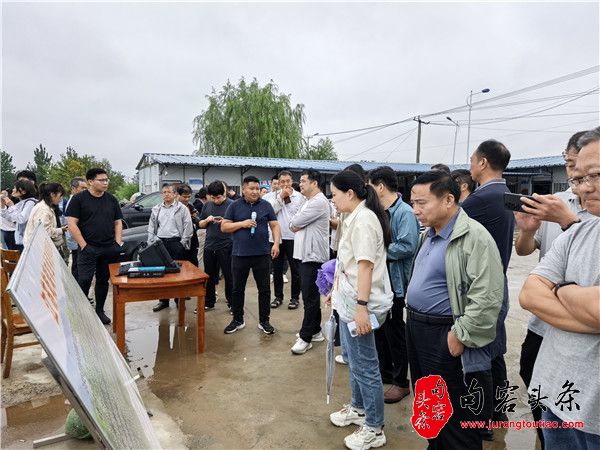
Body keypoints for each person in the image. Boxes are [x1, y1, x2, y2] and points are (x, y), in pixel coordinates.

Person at [406, 170, 504, 450]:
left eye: (422, 203)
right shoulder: (429, 235)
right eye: (413, 203)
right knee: (429, 405)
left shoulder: (474, 237)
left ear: (448, 200)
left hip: (445, 334)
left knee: (457, 415)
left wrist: (461, 334)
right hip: (418, 329)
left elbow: (488, 296)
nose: (416, 210)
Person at [519, 127, 600, 448]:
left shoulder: (573, 220)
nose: (584, 187)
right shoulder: (580, 231)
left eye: (595, 175)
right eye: (578, 177)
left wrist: (560, 288)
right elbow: (529, 293)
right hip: (555, 390)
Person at [328, 170, 393, 450]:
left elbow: (365, 267)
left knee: (366, 365)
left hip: (361, 304)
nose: (332, 200)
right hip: (349, 300)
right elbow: (349, 265)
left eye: (334, 194)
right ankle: (358, 408)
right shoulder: (352, 216)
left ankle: (375, 427)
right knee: (353, 360)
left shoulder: (364, 220)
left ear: (350, 193)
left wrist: (362, 307)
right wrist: (334, 292)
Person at [462, 139, 514, 424]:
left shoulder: (480, 200)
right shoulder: (505, 194)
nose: (470, 165)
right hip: (499, 283)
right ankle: (499, 412)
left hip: (482, 286)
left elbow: (449, 225)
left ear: (483, 162)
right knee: (495, 351)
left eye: (472, 160)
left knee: (479, 353)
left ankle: (481, 420)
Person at [367, 166, 420, 404]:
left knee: (395, 332)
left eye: (370, 185)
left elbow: (408, 246)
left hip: (396, 282)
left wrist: (378, 252)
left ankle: (401, 382)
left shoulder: (404, 212)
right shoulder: (379, 211)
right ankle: (386, 372)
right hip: (381, 280)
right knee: (381, 330)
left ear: (380, 186)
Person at [221, 176, 280, 334]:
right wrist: (243, 223)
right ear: (244, 189)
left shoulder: (266, 205)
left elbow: (274, 225)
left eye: (257, 189)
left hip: (262, 254)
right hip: (240, 254)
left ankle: (264, 321)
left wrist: (276, 243)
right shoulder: (234, 206)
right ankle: (238, 320)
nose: (255, 192)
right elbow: (224, 227)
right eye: (251, 188)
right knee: (237, 289)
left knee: (264, 289)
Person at [66, 168, 124, 325]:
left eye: (106, 180)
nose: (105, 183)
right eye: (101, 180)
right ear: (91, 181)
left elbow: (118, 222)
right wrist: (84, 245)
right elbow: (72, 224)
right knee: (84, 279)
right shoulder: (79, 199)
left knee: (103, 280)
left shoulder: (111, 199)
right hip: (88, 248)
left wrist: (117, 243)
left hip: (108, 248)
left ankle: (100, 311)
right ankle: (81, 312)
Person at [289, 169, 330, 354]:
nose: (300, 184)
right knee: (309, 296)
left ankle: (306, 337)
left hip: (313, 256)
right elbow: (293, 224)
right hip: (304, 255)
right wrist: (296, 223)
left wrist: (296, 223)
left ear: (314, 183)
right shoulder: (307, 201)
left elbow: (295, 223)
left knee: (310, 298)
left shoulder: (319, 202)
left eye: (304, 181)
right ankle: (315, 331)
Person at [149, 183, 193, 312]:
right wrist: (152, 241)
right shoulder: (157, 209)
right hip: (160, 243)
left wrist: (182, 243)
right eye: (164, 192)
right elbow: (151, 227)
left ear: (174, 194)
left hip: (176, 243)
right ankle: (163, 301)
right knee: (161, 273)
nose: (166, 194)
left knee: (178, 273)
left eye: (169, 192)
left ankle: (179, 300)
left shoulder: (182, 208)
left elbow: (188, 226)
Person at [264, 170, 304, 310]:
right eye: (282, 182)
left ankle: (295, 298)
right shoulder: (270, 197)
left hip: (294, 238)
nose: (285, 184)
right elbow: (270, 213)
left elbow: (302, 217)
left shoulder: (300, 197)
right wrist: (281, 197)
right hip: (276, 239)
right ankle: (278, 297)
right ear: (278, 183)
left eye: (288, 181)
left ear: (292, 181)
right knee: (277, 269)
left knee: (295, 270)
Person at [199, 181, 234, 311]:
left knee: (229, 276)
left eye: (218, 197)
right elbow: (200, 224)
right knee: (208, 276)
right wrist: (206, 220)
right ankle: (209, 301)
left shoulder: (232, 205)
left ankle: (232, 303)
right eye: (213, 198)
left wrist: (225, 222)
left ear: (224, 193)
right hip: (210, 245)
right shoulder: (207, 205)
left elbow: (238, 224)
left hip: (227, 245)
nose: (216, 200)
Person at [23, 183, 68, 250]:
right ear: (52, 194)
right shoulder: (43, 209)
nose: (61, 199)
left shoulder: (44, 206)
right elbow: (45, 231)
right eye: (60, 196)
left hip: (37, 246)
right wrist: (61, 230)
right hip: (37, 247)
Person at [0, 179, 38, 252]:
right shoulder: (22, 203)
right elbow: (9, 218)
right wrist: (2, 204)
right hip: (20, 239)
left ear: (23, 191)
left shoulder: (30, 202)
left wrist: (11, 205)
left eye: (15, 188)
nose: (13, 190)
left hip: (26, 240)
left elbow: (21, 219)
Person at [62, 177, 88, 280]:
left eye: (86, 188)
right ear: (74, 188)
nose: (85, 190)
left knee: (78, 264)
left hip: (77, 240)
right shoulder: (73, 202)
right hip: (76, 239)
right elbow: (71, 224)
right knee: (78, 265)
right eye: (82, 188)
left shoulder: (79, 200)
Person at [177, 184, 200, 266]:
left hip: (191, 238)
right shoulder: (174, 207)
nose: (187, 199)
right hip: (179, 238)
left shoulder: (191, 206)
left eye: (189, 197)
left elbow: (196, 219)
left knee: (193, 261)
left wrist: (195, 218)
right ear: (178, 195)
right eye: (184, 197)